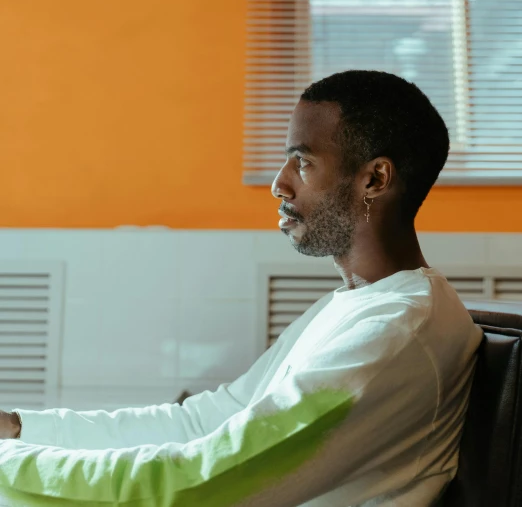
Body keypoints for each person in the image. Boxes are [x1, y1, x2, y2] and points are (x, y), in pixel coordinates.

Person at [0, 70, 482, 506]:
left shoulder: (395, 331)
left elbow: (200, 482)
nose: (279, 184)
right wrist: (21, 429)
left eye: (303, 162)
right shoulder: (355, 307)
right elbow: (206, 422)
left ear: (374, 178)